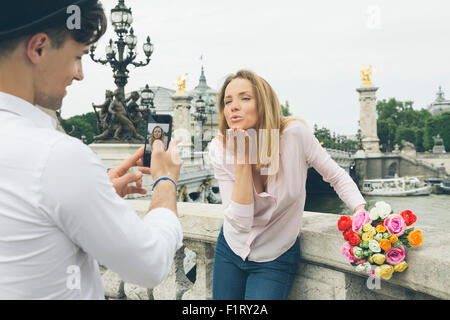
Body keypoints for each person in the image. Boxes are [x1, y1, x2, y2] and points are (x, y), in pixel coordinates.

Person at [0, 0, 182, 299]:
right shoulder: (57, 157)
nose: (80, 74)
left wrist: (95, 194)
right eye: (77, 57)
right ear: (39, 48)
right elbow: (149, 266)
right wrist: (165, 182)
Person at [208, 70, 366, 300]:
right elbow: (241, 222)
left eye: (244, 98)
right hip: (231, 248)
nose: (233, 106)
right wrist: (242, 163)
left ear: (263, 103)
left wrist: (361, 211)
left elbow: (336, 176)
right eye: (227, 101)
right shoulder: (220, 148)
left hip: (275, 257)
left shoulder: (295, 135)